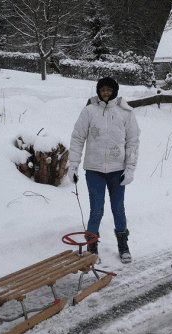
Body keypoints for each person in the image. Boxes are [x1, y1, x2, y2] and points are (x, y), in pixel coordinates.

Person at [68, 77, 140, 263]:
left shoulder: (126, 113)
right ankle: (92, 248)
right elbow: (77, 138)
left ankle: (123, 246)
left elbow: (132, 142)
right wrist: (73, 164)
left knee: (118, 209)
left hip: (118, 170)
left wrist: (130, 168)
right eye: (102, 89)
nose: (105, 92)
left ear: (115, 91)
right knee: (96, 210)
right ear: (98, 91)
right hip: (94, 169)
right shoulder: (89, 111)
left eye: (109, 89)